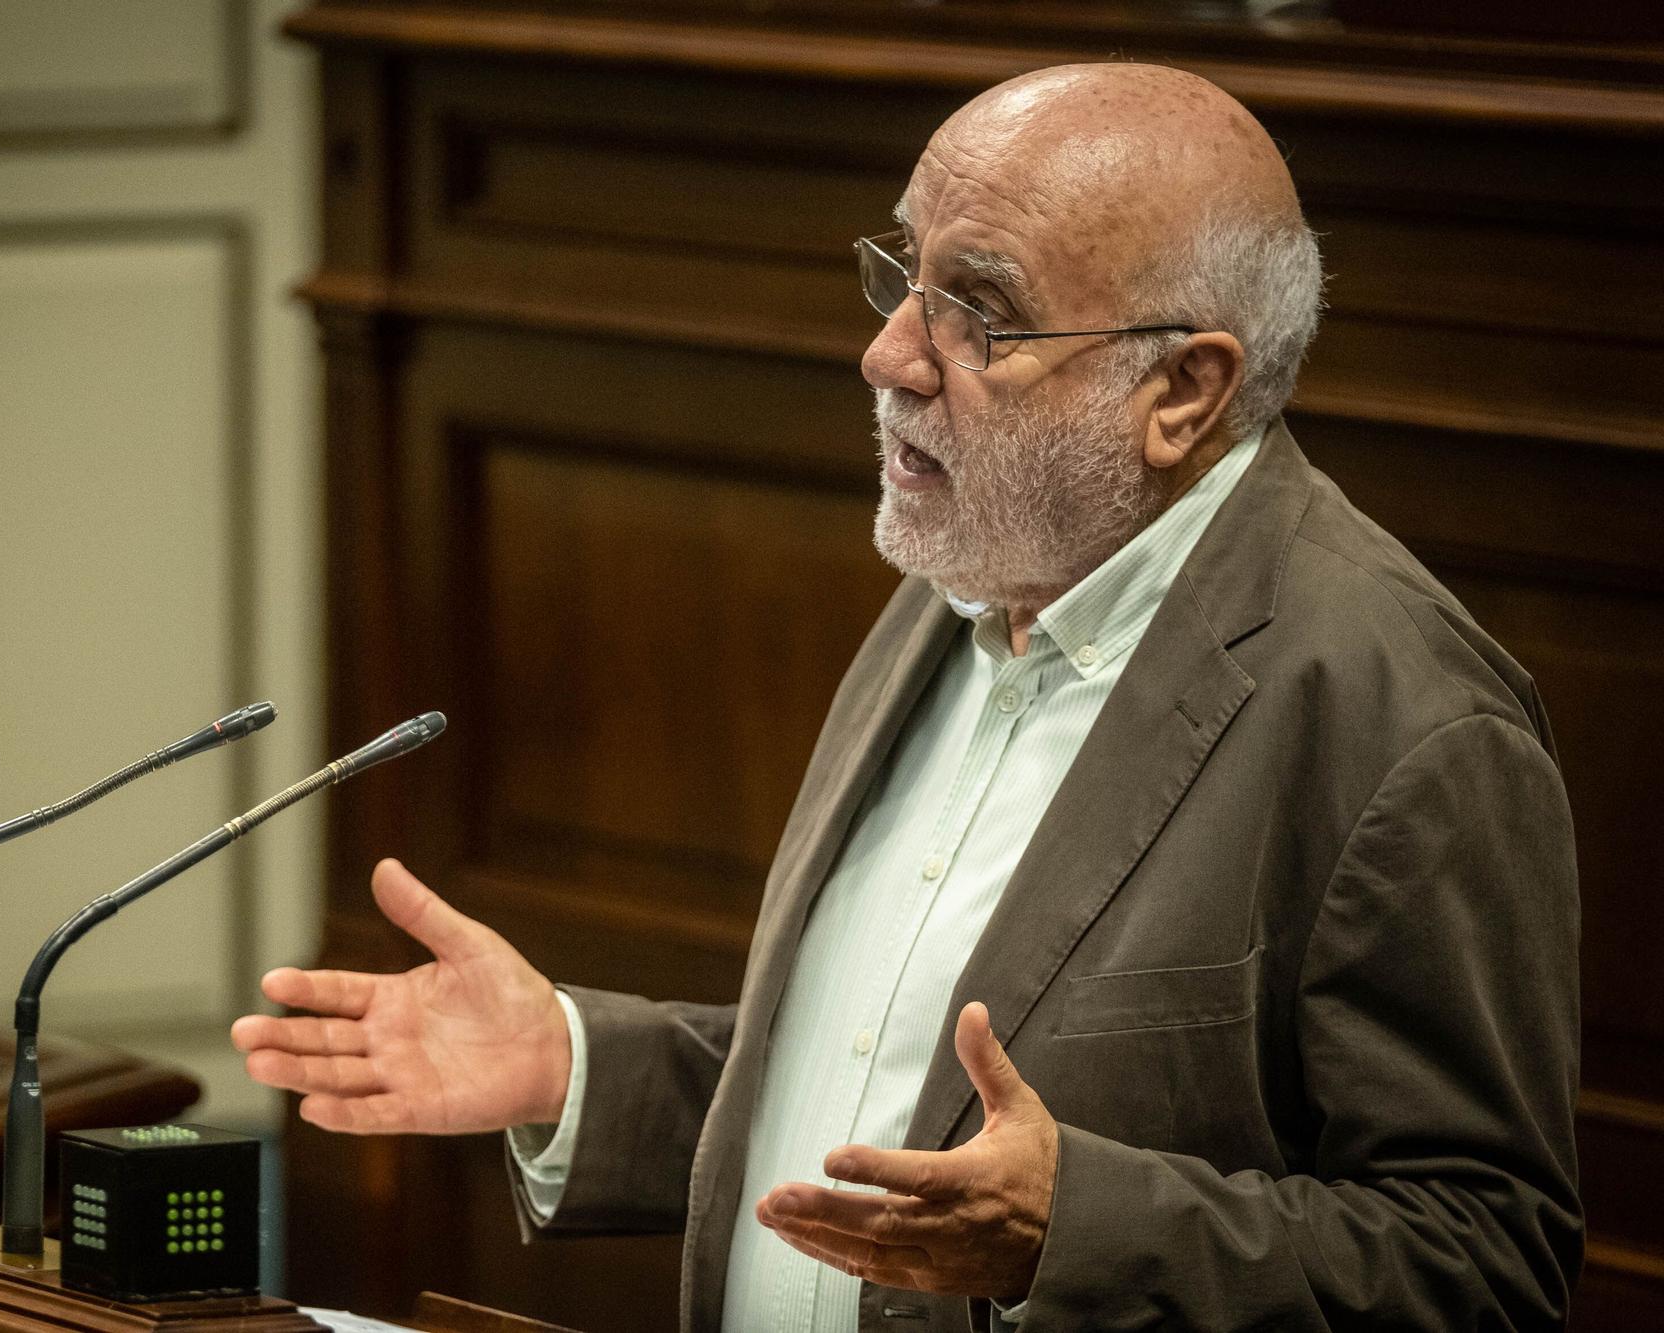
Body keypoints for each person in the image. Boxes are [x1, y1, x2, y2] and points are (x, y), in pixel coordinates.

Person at [233, 62, 1582, 1332]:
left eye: (978, 313)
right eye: (904, 273)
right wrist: (575, 1066)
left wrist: (1081, 1230)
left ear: (1183, 391)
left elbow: (1485, 1257)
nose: (890, 356)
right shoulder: (968, 575)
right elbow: (895, 1102)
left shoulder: (1405, 715)